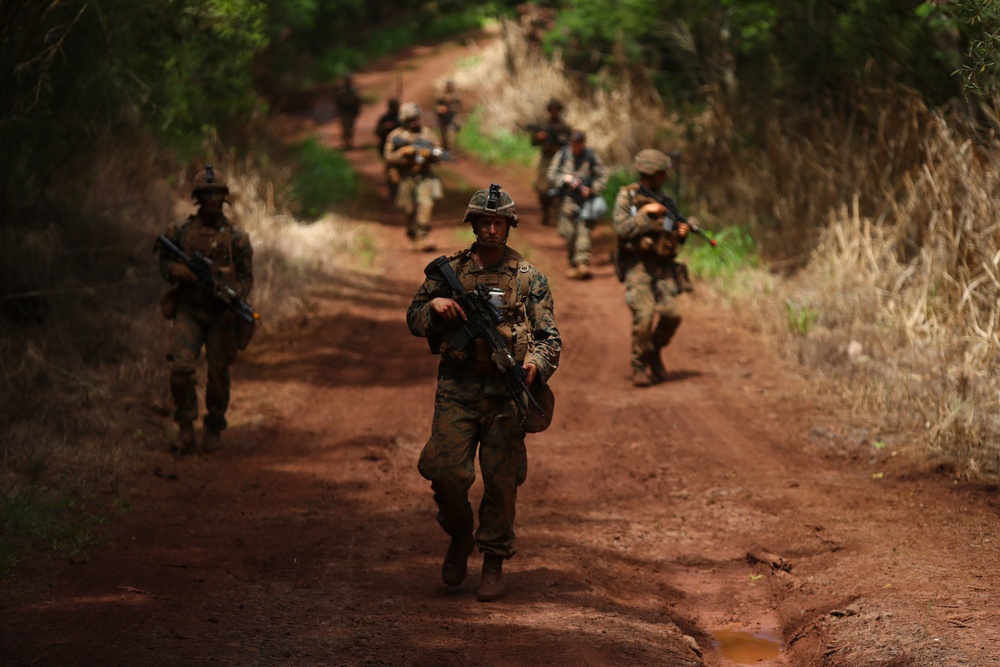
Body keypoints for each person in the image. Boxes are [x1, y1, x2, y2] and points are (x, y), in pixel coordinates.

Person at [406, 186, 561, 602]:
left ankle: (493, 561)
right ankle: (460, 533)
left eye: (499, 222)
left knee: (501, 483)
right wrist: (436, 305)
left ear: (509, 226)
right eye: (484, 222)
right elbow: (414, 320)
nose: (491, 229)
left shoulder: (529, 278)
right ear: (473, 225)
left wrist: (535, 367)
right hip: (457, 389)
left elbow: (550, 339)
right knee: (447, 472)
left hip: (504, 395)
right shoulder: (448, 271)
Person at [157, 165, 254, 453]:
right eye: (206, 194)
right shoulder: (179, 231)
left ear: (224, 197)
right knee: (181, 369)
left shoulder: (237, 238)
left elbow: (247, 278)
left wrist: (231, 293)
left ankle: (214, 428)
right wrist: (177, 270)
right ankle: (186, 427)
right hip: (189, 309)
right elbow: (164, 261)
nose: (212, 199)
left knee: (218, 373)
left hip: (221, 315)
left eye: (217, 194)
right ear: (198, 197)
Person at [612, 149, 691, 387]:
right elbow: (622, 229)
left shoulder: (666, 200)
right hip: (638, 265)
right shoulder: (627, 196)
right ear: (653, 173)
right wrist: (646, 214)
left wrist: (680, 233)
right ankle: (640, 365)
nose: (665, 177)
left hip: (664, 266)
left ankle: (655, 350)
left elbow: (670, 234)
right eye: (662, 173)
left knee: (673, 314)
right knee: (644, 316)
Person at [547, 129, 608, 279]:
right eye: (573, 143)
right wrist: (566, 179)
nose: (576, 146)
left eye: (578, 143)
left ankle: (582, 263)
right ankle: (573, 263)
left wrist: (591, 188)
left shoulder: (591, 156)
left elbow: (603, 177)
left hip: (586, 202)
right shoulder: (562, 155)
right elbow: (551, 174)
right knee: (569, 233)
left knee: (583, 230)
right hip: (567, 201)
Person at [384, 103, 446, 251]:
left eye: (416, 118)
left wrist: (429, 154)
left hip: (424, 176)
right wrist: (404, 152)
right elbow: (388, 157)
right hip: (405, 177)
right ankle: (412, 235)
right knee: (408, 209)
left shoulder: (427, 133)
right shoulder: (395, 135)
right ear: (404, 120)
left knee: (426, 204)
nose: (414, 122)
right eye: (410, 119)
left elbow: (439, 152)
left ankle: (424, 236)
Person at [530, 98, 571, 227]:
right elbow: (533, 142)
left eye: (556, 110)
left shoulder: (564, 128)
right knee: (542, 188)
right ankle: (546, 212)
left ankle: (556, 215)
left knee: (558, 187)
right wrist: (539, 137)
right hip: (546, 159)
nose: (554, 112)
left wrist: (559, 142)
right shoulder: (544, 125)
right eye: (552, 110)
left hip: (559, 160)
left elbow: (569, 144)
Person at [375, 97, 402, 197]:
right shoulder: (384, 118)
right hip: (387, 148)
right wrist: (385, 127)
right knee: (391, 171)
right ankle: (393, 189)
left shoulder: (402, 119)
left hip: (400, 149)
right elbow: (377, 132)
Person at [434, 79, 463, 153]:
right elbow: (436, 105)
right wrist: (439, 109)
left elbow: (459, 107)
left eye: (451, 86)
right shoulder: (440, 94)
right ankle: (444, 148)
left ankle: (451, 150)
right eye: (448, 86)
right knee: (443, 134)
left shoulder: (456, 95)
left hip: (452, 117)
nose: (449, 88)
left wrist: (450, 110)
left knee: (451, 133)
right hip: (443, 118)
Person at [334, 74, 362, 150]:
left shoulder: (354, 90)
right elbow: (337, 101)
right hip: (344, 111)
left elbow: (357, 102)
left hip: (351, 111)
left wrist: (357, 111)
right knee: (345, 127)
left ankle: (349, 142)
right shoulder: (341, 91)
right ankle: (345, 142)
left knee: (350, 127)